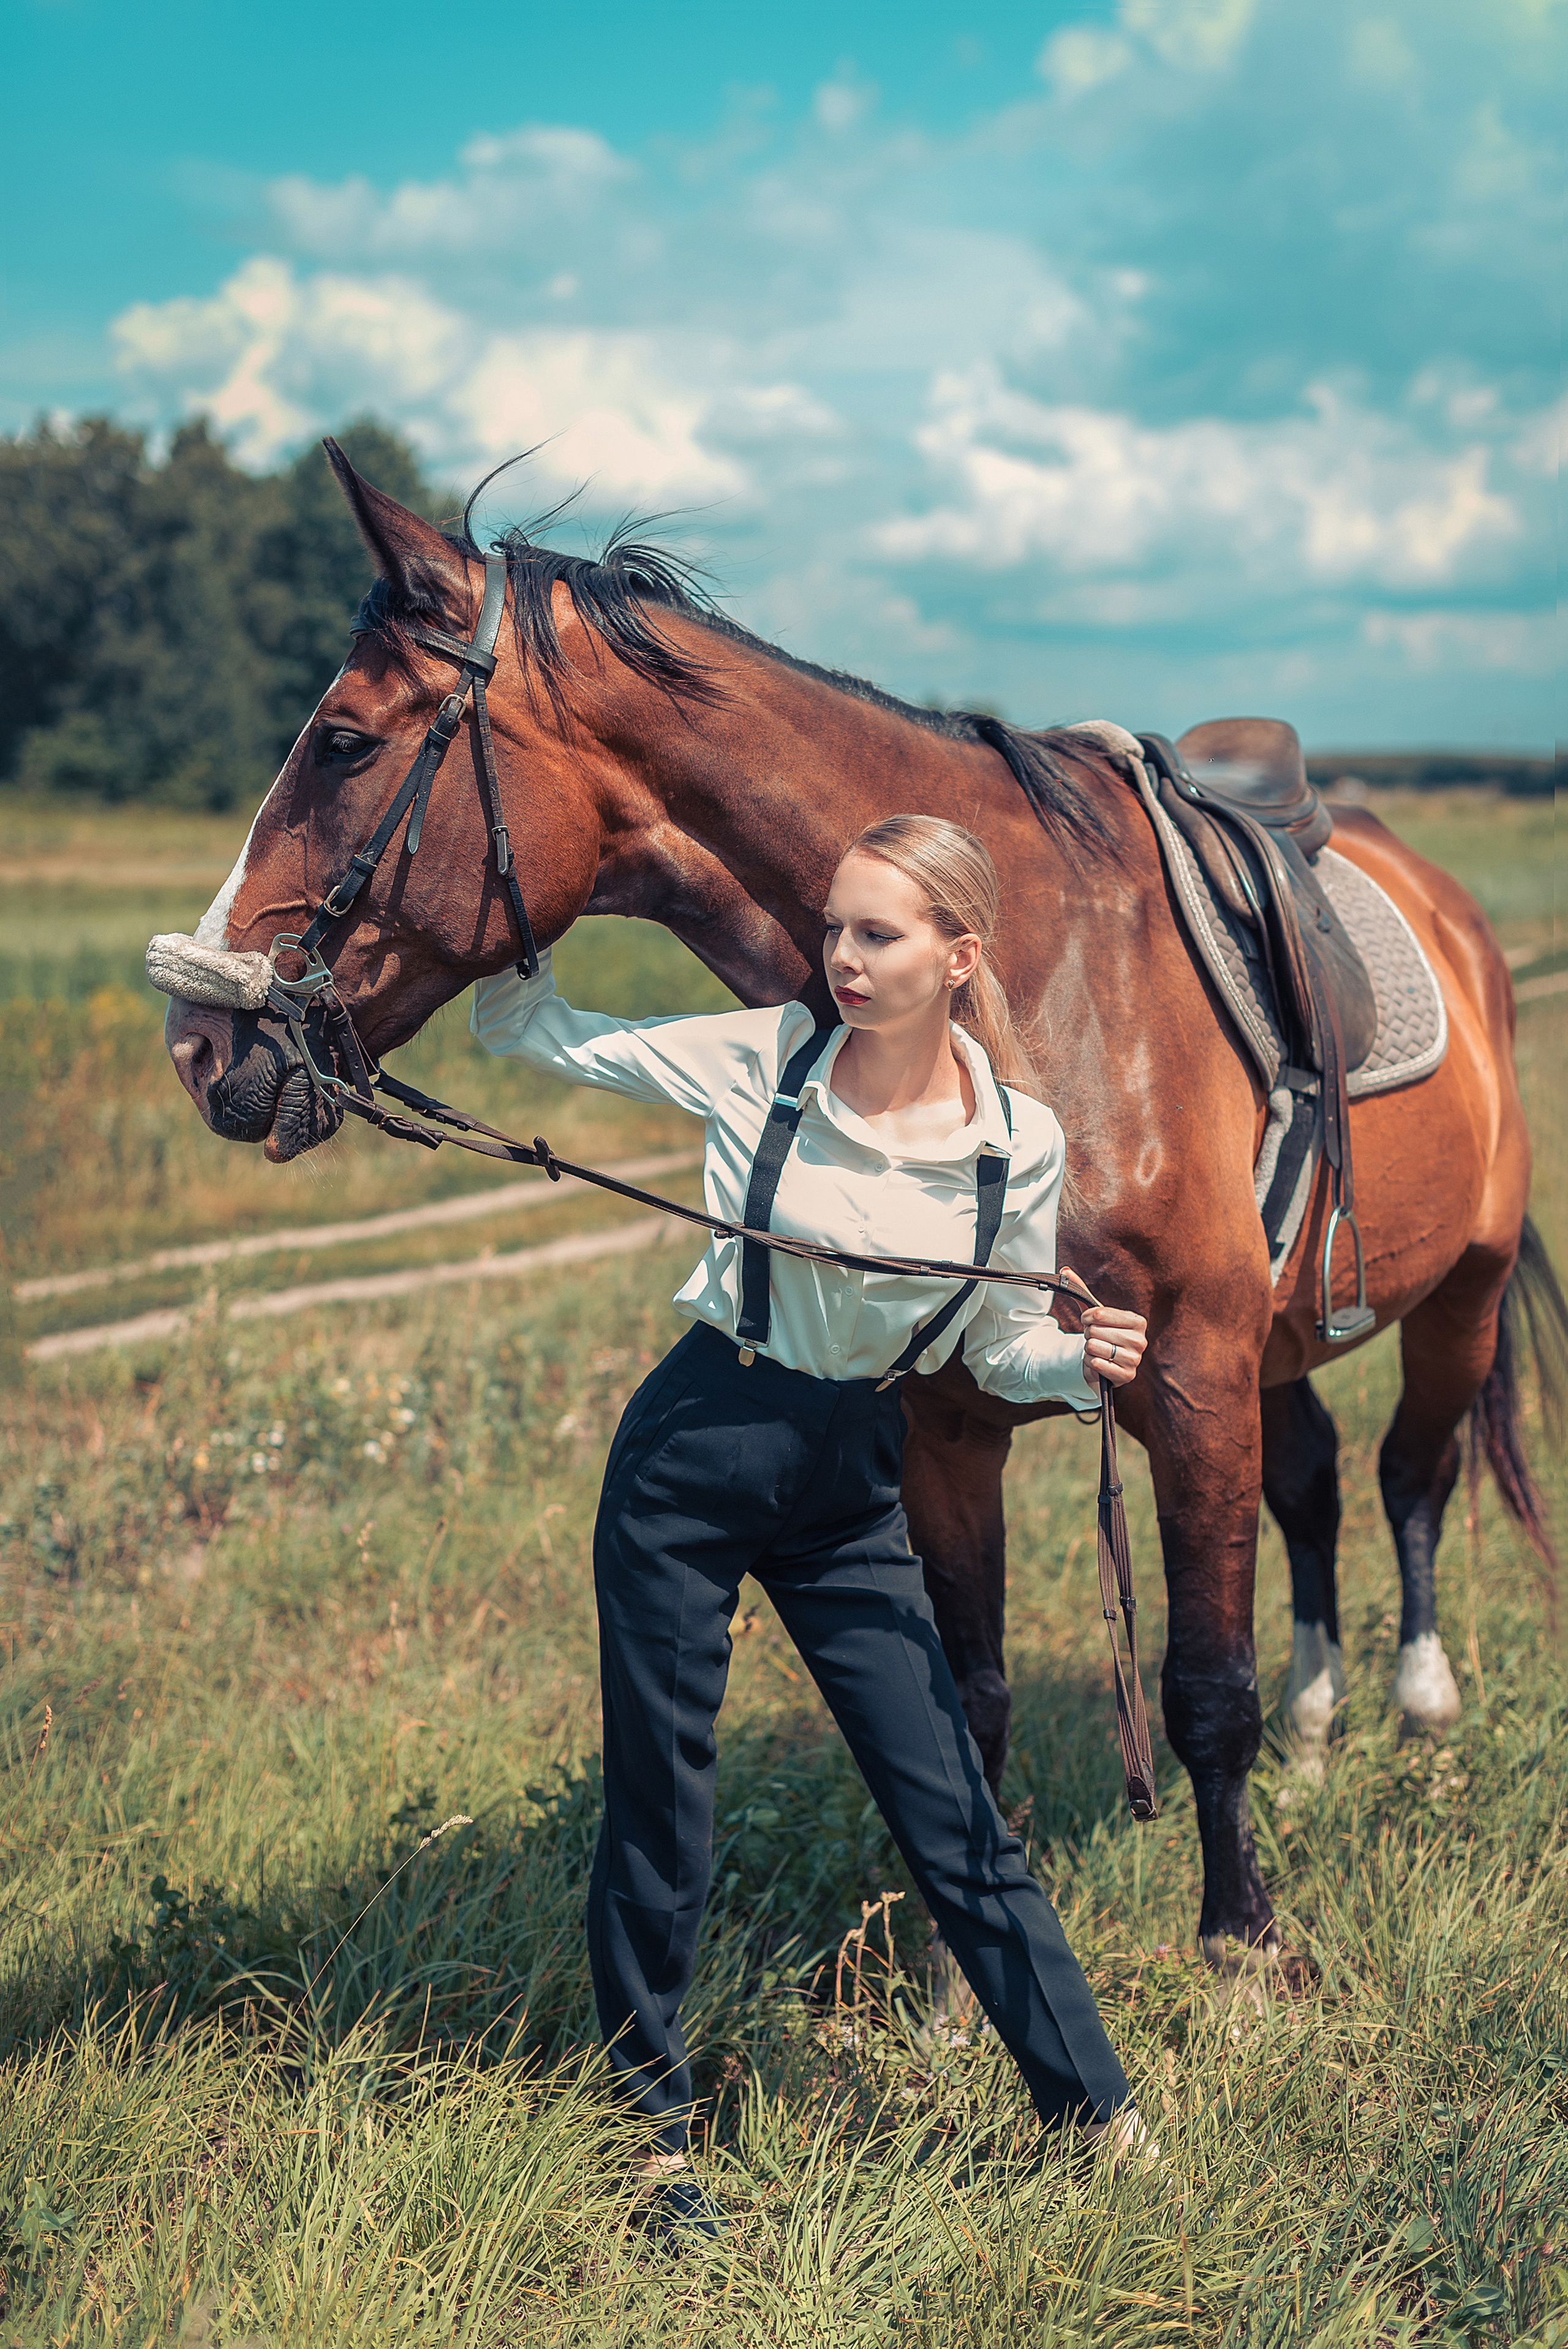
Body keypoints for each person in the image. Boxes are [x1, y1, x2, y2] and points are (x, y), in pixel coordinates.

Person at [471, 814, 1152, 2247]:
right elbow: (537, 1039)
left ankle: (1095, 2113)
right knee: (665, 1802)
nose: (839, 956)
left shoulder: (1011, 1143)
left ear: (958, 958)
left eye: (877, 933)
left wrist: (1079, 1371)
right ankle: (648, 2140)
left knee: (948, 1806)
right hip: (695, 1447)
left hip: (852, 1470)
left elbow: (1002, 1344)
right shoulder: (762, 1055)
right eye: (834, 927)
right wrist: (510, 912)